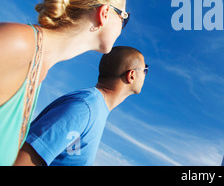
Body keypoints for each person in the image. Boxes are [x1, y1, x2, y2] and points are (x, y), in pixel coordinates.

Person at [0, 0, 129, 166]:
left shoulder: (37, 67)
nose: (122, 27)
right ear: (104, 14)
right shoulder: (20, 44)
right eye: (123, 18)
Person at [14, 46, 147, 166]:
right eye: (145, 70)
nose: (146, 74)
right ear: (132, 75)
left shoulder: (94, 109)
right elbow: (23, 161)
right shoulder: (84, 108)